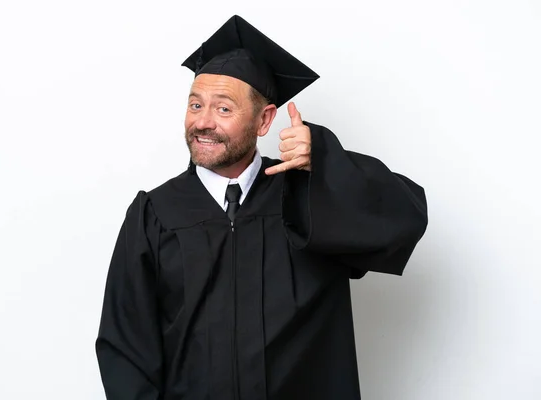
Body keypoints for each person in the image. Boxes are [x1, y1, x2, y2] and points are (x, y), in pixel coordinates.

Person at [95, 15, 428, 400]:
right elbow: (125, 348)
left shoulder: (310, 196)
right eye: (195, 104)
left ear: (264, 119)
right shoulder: (154, 214)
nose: (202, 122)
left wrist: (325, 163)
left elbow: (406, 220)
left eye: (223, 109)